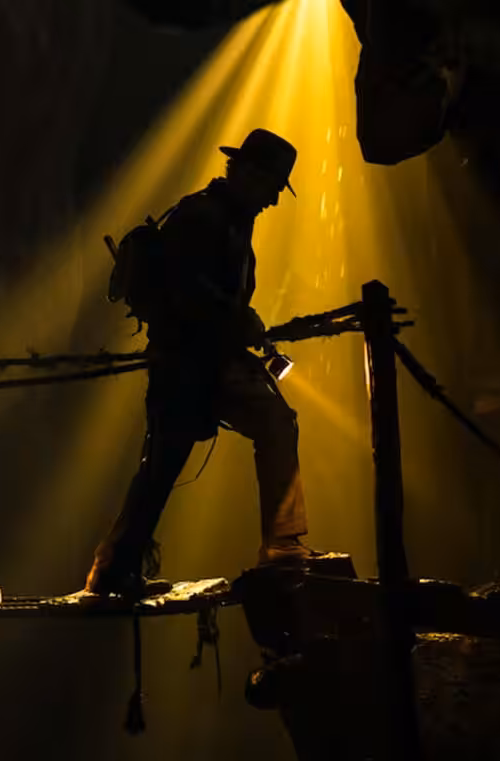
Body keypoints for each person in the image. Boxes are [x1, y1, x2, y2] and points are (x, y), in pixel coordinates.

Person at [84, 129, 323, 598]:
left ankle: (115, 569)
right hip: (188, 362)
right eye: (273, 186)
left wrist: (238, 324)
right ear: (248, 174)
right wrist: (240, 321)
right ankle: (116, 570)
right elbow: (186, 291)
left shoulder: (226, 219)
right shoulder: (202, 217)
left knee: (181, 459)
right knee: (167, 464)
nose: (275, 199)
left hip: (206, 361)